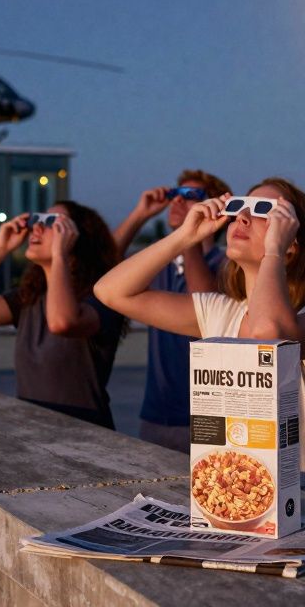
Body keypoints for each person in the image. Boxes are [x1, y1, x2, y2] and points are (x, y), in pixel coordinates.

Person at [96, 178, 305, 498]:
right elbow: (110, 291)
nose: (242, 216)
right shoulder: (221, 311)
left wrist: (274, 252)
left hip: (300, 492)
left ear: (291, 241)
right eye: (240, 206)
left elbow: (269, 334)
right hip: (229, 486)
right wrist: (185, 236)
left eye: (262, 210)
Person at [0, 201, 125, 429]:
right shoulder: (30, 298)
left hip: (86, 432)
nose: (36, 228)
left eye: (50, 222)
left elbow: (62, 323)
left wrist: (59, 255)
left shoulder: (99, 295)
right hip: (34, 430)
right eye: (36, 220)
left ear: (75, 236)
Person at [112, 170, 232, 453]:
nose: (178, 201)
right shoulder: (160, 265)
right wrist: (140, 215)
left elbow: (204, 303)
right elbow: (105, 271)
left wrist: (189, 235)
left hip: (208, 414)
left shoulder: (228, 264)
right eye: (175, 195)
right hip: (157, 413)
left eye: (191, 196)